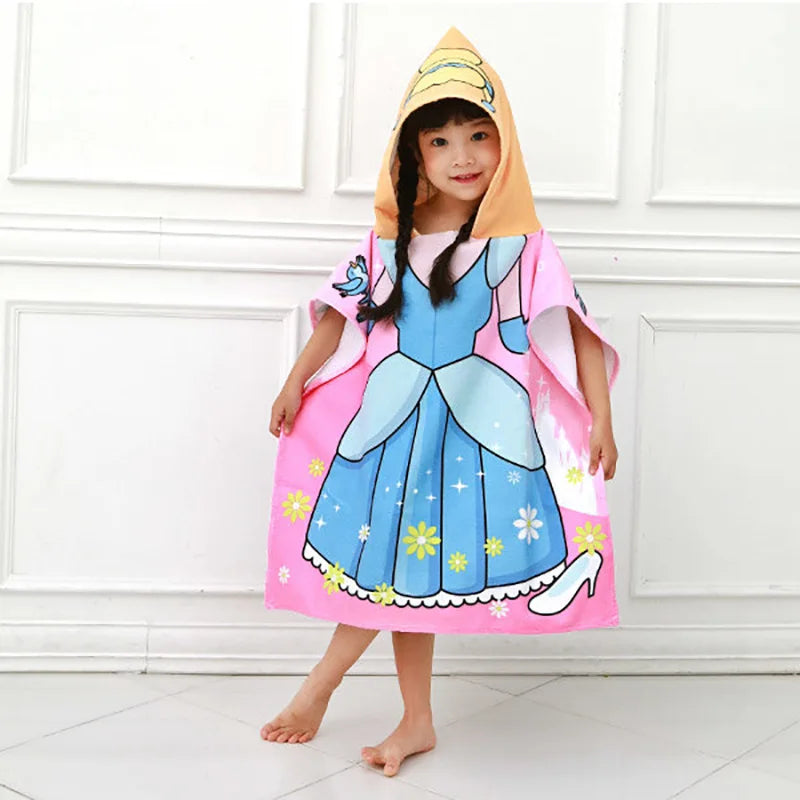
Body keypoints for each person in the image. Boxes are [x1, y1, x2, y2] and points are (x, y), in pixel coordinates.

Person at [261, 26, 620, 778]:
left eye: (479, 135)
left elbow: (575, 332)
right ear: (413, 156)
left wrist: (601, 420)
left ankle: (327, 690)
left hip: (473, 427)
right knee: (402, 576)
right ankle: (409, 717)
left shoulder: (522, 245)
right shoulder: (388, 240)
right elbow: (339, 317)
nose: (463, 156)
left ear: (504, 144)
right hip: (396, 424)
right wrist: (296, 380)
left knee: (403, 575)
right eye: (440, 141)